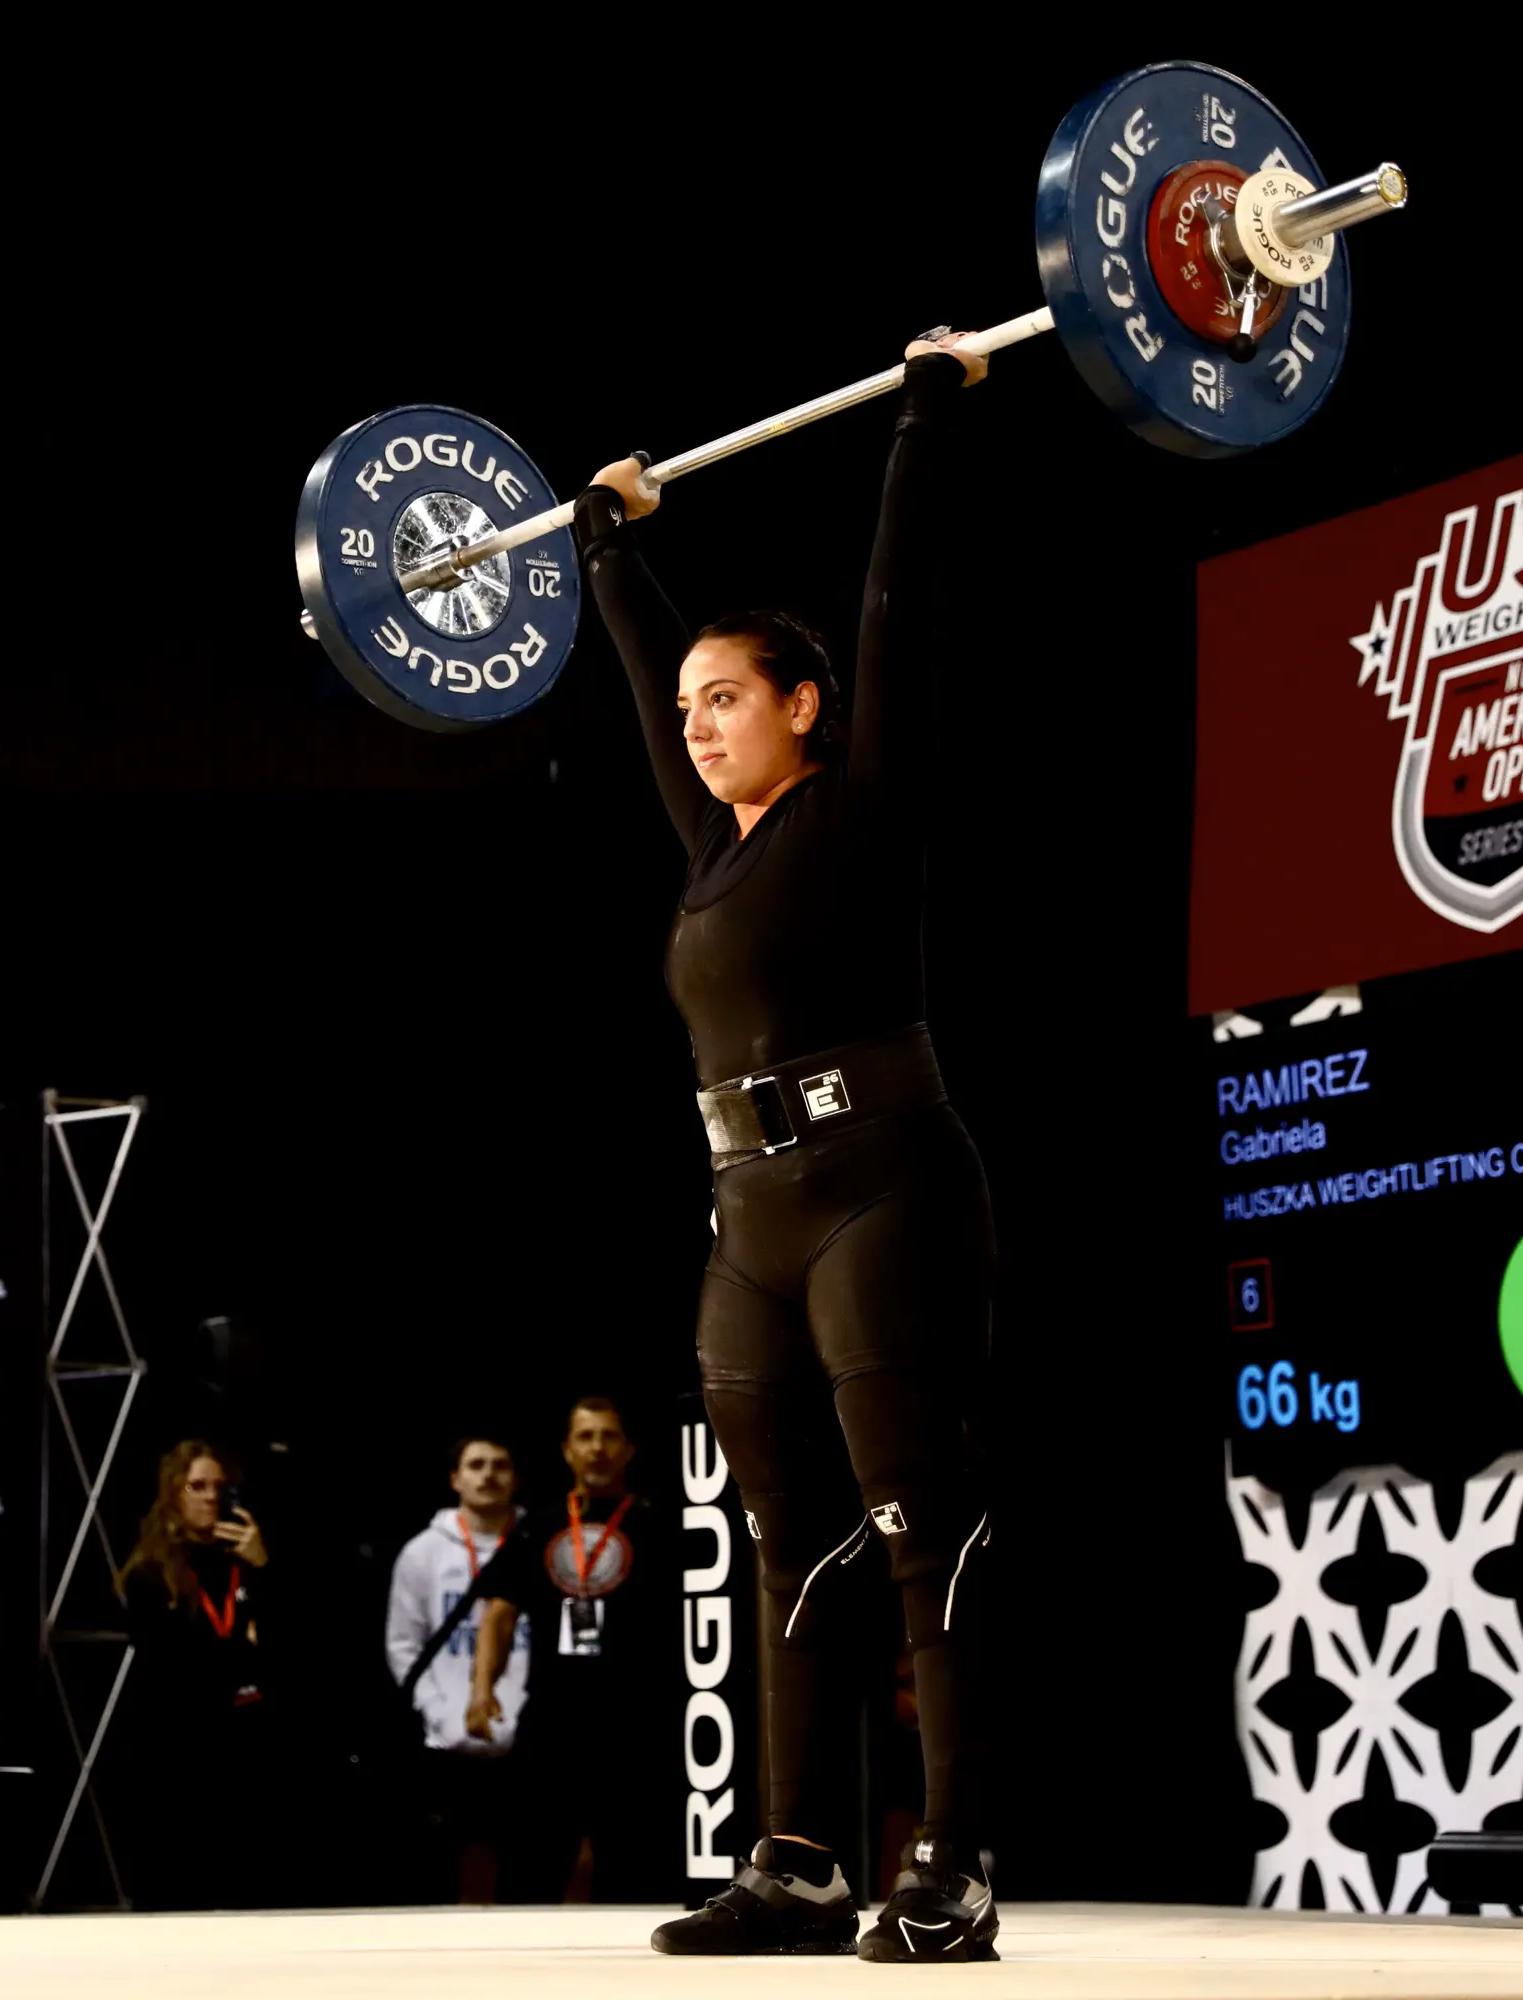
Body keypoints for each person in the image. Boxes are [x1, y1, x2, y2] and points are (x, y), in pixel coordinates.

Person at [561, 333, 1004, 1962]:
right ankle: (803, 1859)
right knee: (784, 1544)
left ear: (802, 707)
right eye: (689, 707)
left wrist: (921, 431)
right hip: (747, 1214)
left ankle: (954, 1856)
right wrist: (610, 547)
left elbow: (902, 616)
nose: (695, 725)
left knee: (918, 1529)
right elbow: (633, 682)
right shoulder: (705, 848)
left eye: (727, 698)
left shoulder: (862, 803)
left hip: (886, 1185)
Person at [461, 1397, 665, 1903]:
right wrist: (481, 1687)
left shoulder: (658, 1525)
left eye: (608, 1436)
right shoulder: (539, 1524)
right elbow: (500, 1613)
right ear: (567, 1451)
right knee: (529, 1867)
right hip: (552, 1718)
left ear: (628, 1450)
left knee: (634, 1871)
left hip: (634, 1721)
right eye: (585, 1437)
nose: (597, 1448)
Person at [108, 1440, 274, 1906]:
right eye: (197, 1486)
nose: (210, 1497)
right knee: (176, 1886)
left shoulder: (246, 1564)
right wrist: (243, 1647)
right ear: (174, 1495)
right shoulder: (150, 1574)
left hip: (241, 1746)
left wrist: (263, 1570)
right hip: (173, 1749)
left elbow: (284, 1647)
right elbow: (177, 1661)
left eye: (219, 1487)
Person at [383, 1435, 530, 1899]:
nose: (488, 1474)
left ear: (516, 1478)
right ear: (455, 1478)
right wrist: (439, 1712)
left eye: (500, 1464)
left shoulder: (537, 1542)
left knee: (526, 1875)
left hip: (526, 1737)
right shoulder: (423, 1552)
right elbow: (404, 1644)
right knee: (444, 1874)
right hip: (446, 1739)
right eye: (476, 1464)